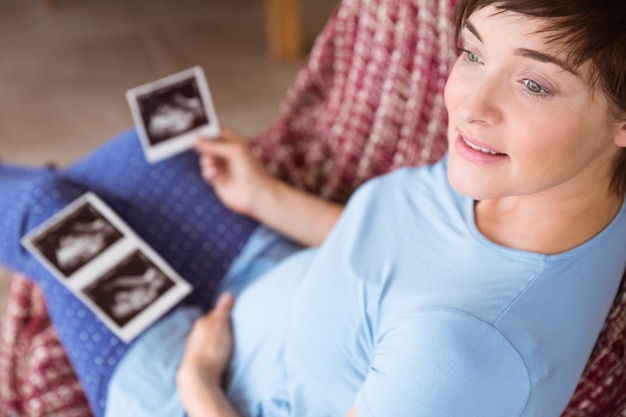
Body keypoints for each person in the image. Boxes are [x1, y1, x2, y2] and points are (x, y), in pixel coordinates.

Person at [100, 0, 626, 416]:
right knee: (137, 156)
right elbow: (406, 253)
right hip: (273, 280)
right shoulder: (539, 180)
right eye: (473, 53)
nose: (469, 105)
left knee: (40, 210)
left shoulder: (462, 356)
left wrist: (197, 382)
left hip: (209, 381)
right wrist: (264, 197)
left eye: (534, 84)